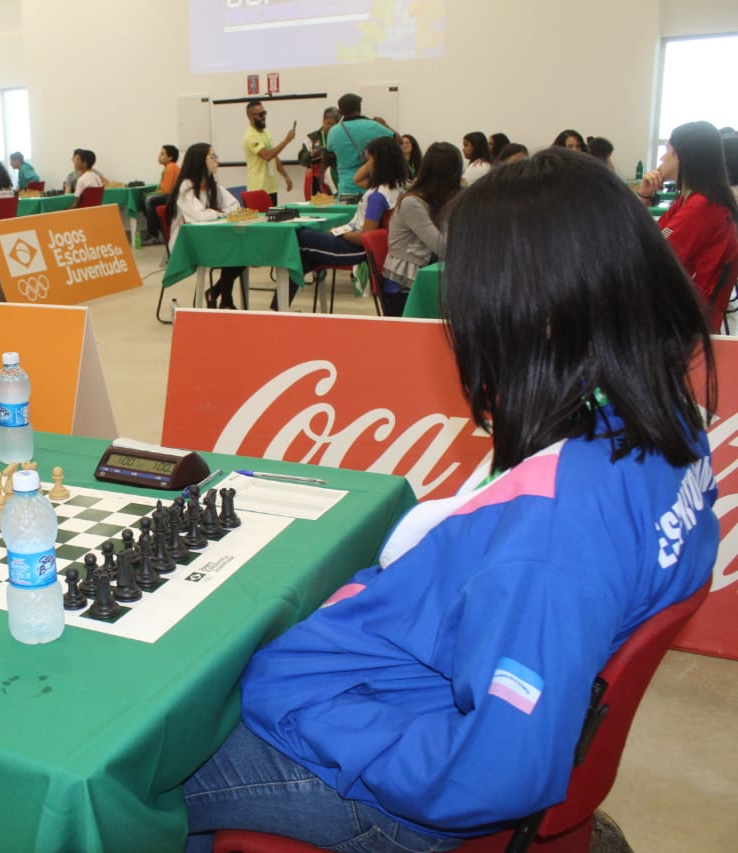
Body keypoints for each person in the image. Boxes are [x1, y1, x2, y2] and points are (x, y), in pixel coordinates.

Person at [184, 148, 717, 852]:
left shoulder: (550, 544)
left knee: (138, 775)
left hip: (386, 771)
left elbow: (496, 770)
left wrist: (310, 718)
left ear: (528, 317)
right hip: (412, 687)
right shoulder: (667, 420)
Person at [638, 120, 738, 332]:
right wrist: (644, 196)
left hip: (683, 322)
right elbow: (650, 238)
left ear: (683, 157)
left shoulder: (701, 208)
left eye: (668, 151)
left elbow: (652, 259)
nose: (662, 158)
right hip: (684, 310)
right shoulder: (693, 200)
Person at [288, 136, 407, 309]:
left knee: (299, 234)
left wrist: (340, 232)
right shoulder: (395, 185)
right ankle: (278, 308)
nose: (365, 164)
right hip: (355, 242)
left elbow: (365, 237)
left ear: (379, 162)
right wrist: (373, 159)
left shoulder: (377, 197)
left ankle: (277, 309)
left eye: (369, 160)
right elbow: (357, 179)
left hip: (355, 249)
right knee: (303, 258)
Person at [379, 141, 462, 316]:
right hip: (403, 287)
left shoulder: (437, 200)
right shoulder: (413, 203)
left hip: (425, 280)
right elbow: (443, 246)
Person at [165, 143, 243, 310]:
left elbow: (235, 206)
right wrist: (220, 212)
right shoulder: (186, 187)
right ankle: (222, 297)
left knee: (243, 251)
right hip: (187, 244)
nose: (217, 160)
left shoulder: (211, 184)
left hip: (209, 237)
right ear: (200, 160)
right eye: (212, 157)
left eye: (216, 156)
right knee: (235, 251)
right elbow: (200, 216)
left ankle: (218, 294)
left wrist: (215, 212)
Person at [324, 93, 396, 199]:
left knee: (349, 215)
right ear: (359, 108)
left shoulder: (333, 131)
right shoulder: (372, 125)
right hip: (371, 186)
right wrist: (384, 125)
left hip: (346, 189)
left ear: (341, 112)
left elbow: (329, 150)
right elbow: (398, 140)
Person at [243, 100, 295, 205]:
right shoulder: (250, 136)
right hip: (258, 189)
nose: (264, 117)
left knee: (273, 219)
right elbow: (267, 156)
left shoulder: (265, 132)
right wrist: (286, 141)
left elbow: (274, 156)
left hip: (271, 187)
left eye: (265, 113)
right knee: (262, 220)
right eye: (260, 114)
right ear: (249, 116)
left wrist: (285, 176)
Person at [143, 144, 180, 245]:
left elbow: (166, 191)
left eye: (162, 154)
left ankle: (154, 235)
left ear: (170, 157)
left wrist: (149, 194)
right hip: (170, 196)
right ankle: (160, 230)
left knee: (149, 200)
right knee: (146, 198)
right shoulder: (168, 167)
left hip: (174, 198)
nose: (159, 156)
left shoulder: (171, 167)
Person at [302, 106, 341, 198]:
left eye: (333, 124)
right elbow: (302, 158)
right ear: (323, 121)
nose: (330, 127)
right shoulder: (312, 137)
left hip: (337, 174)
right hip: (317, 178)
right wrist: (310, 154)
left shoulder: (341, 137)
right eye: (328, 123)